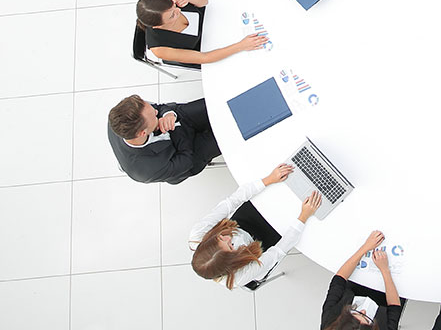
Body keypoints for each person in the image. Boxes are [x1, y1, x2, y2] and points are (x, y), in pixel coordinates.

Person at [189, 164, 323, 290]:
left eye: (220, 238)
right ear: (231, 262)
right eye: (231, 246)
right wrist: (304, 216)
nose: (229, 238)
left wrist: (269, 179)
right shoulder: (238, 277)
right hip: (261, 244)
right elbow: (278, 251)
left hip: (241, 221)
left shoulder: (198, 234)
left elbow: (232, 201)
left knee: (283, 189)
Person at [135, 0, 270, 69]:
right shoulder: (159, 48)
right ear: (158, 26)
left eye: (173, 5)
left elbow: (204, 0)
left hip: (217, 17)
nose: (178, 10)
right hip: (213, 46)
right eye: (172, 16)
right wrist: (241, 46)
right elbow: (205, 57)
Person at [106, 95, 221, 184]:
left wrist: (168, 115)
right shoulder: (146, 169)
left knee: (219, 104)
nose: (156, 112)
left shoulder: (123, 114)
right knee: (230, 133)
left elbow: (158, 107)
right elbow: (187, 161)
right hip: (186, 154)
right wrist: (175, 127)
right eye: (154, 116)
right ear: (143, 133)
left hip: (178, 118)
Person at [322, 230, 405, 330]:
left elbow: (339, 279)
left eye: (355, 313)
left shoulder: (329, 320)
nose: (364, 311)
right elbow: (394, 306)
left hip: (358, 281)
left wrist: (365, 247)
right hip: (389, 291)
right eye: (367, 318)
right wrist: (385, 270)